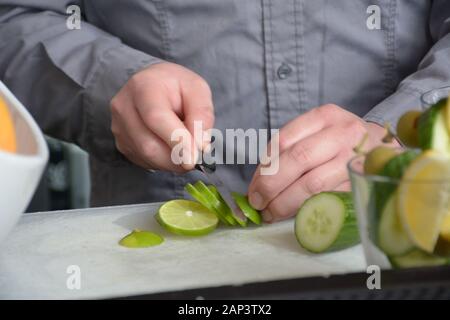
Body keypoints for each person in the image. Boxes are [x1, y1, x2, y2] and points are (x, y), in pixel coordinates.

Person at [0, 1, 449, 223]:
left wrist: (406, 133)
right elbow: (15, 15)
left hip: (400, 253)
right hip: (163, 270)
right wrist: (109, 82)